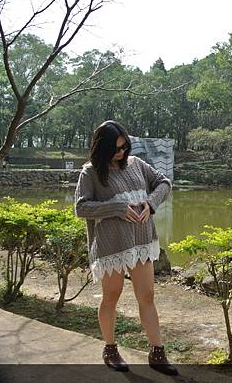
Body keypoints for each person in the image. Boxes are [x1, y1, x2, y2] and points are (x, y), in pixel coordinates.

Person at [74, 120, 177, 375]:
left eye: (124, 147)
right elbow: (81, 207)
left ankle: (157, 352)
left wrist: (150, 204)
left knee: (147, 295)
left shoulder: (137, 164)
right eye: (116, 148)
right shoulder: (90, 173)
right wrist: (117, 208)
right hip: (112, 245)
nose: (121, 153)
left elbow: (164, 183)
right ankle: (110, 347)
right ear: (102, 148)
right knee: (111, 297)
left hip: (141, 241)